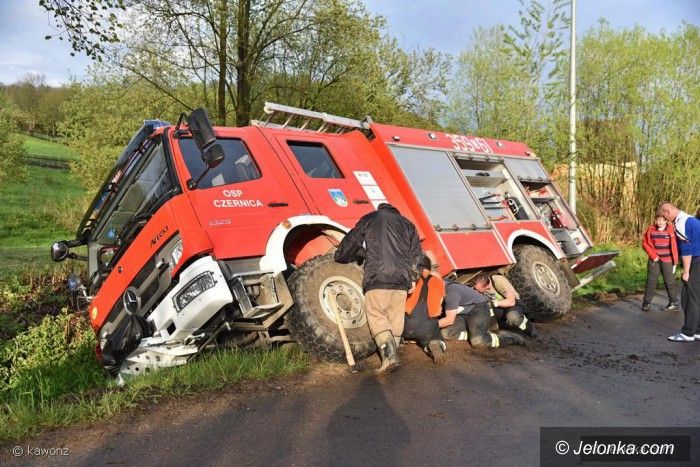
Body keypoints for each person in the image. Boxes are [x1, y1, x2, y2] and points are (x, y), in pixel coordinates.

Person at [334, 202, 422, 374]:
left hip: (378, 277)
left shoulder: (371, 218)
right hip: (402, 280)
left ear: (380, 209)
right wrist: (413, 278)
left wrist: (340, 255)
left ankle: (389, 357)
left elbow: (353, 240)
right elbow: (417, 255)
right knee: (396, 317)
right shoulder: (408, 225)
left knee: (376, 313)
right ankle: (393, 355)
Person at [438, 279, 524, 348]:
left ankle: (508, 337)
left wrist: (433, 325)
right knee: (446, 333)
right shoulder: (440, 287)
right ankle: (474, 331)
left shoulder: (451, 294)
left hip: (479, 310)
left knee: (478, 342)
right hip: (463, 313)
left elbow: (449, 320)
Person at [658, 202, 700, 342]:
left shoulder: (681, 223)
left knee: (689, 297)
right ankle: (697, 331)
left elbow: (687, 249)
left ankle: (688, 333)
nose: (666, 220)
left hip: (697, 261)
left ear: (668, 211)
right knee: (696, 297)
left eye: (665, 216)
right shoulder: (691, 219)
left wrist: (686, 271)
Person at [402, 254, 447, 363]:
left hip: (407, 324)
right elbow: (440, 305)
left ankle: (400, 340)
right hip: (428, 326)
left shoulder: (410, 279)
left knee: (398, 331)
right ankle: (431, 346)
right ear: (429, 267)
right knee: (436, 339)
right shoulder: (439, 282)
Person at [472, 273, 537, 337]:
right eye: (475, 289)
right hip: (499, 307)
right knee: (493, 325)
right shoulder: (480, 288)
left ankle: (529, 326)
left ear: (487, 286)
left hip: (513, 304)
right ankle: (507, 327)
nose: (476, 291)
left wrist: (494, 303)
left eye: (477, 290)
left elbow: (511, 302)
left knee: (513, 317)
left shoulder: (499, 281)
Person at [641, 214, 679, 312]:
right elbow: (645, 243)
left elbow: (677, 243)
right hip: (654, 259)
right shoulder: (651, 229)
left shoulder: (672, 230)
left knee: (669, 281)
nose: (660, 222)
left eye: (662, 220)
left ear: (666, 221)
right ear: (655, 220)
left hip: (668, 260)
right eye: (658, 220)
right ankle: (646, 302)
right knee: (651, 281)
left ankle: (674, 303)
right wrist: (653, 255)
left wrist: (677, 259)